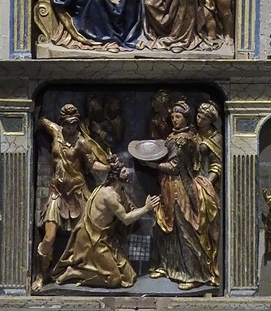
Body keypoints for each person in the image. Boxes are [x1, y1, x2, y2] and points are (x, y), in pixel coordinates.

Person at [35, 104, 113, 290]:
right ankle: (42, 276)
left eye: (75, 124)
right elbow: (41, 120)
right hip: (57, 193)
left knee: (90, 236)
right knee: (48, 238)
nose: (71, 128)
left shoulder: (81, 142)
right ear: (62, 123)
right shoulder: (56, 132)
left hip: (78, 192)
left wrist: (109, 168)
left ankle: (88, 272)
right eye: (68, 124)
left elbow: (92, 165)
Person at [145, 99, 219, 289]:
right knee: (166, 229)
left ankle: (194, 273)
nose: (175, 120)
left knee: (184, 229)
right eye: (173, 117)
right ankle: (170, 266)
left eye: (178, 117)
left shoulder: (183, 139)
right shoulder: (173, 135)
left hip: (180, 187)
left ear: (186, 119)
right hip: (168, 187)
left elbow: (175, 167)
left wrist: (153, 165)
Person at [53, 159, 160, 288]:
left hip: (106, 238)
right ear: (115, 175)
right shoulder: (109, 195)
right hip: (92, 240)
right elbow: (125, 219)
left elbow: (128, 209)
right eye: (124, 172)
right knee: (114, 279)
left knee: (129, 277)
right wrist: (146, 208)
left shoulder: (119, 190)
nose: (128, 174)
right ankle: (75, 272)